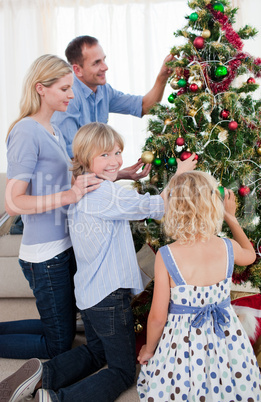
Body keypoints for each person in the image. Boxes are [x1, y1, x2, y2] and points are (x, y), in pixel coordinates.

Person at [0, 123, 197, 402]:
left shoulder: (82, 188)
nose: (115, 160)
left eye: (117, 152)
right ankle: (57, 399)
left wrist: (118, 174)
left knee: (96, 351)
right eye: (104, 155)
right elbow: (157, 206)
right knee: (122, 371)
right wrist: (180, 174)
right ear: (84, 158)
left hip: (88, 294)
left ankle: (44, 375)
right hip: (110, 297)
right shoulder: (108, 195)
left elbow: (109, 193)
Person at [1, 55, 102, 360]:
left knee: (60, 326)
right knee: (58, 344)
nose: (71, 95)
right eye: (64, 88)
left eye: (71, 88)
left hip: (62, 245)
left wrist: (118, 172)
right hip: (44, 255)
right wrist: (68, 196)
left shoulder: (53, 131)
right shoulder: (26, 131)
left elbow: (67, 180)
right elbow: (13, 201)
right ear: (40, 88)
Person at [137, 171, 261, 401]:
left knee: (181, 383)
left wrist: (149, 349)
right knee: (229, 379)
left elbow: (157, 317)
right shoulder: (227, 246)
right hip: (226, 338)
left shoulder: (167, 255)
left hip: (183, 343)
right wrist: (231, 218)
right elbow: (251, 256)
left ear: (173, 208)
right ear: (214, 206)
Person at [51, 35, 174, 170]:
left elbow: (145, 106)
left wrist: (162, 78)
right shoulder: (69, 98)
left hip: (94, 177)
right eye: (96, 63)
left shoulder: (103, 90)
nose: (105, 67)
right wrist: (114, 176)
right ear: (77, 70)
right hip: (75, 182)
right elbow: (70, 160)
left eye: (104, 60)